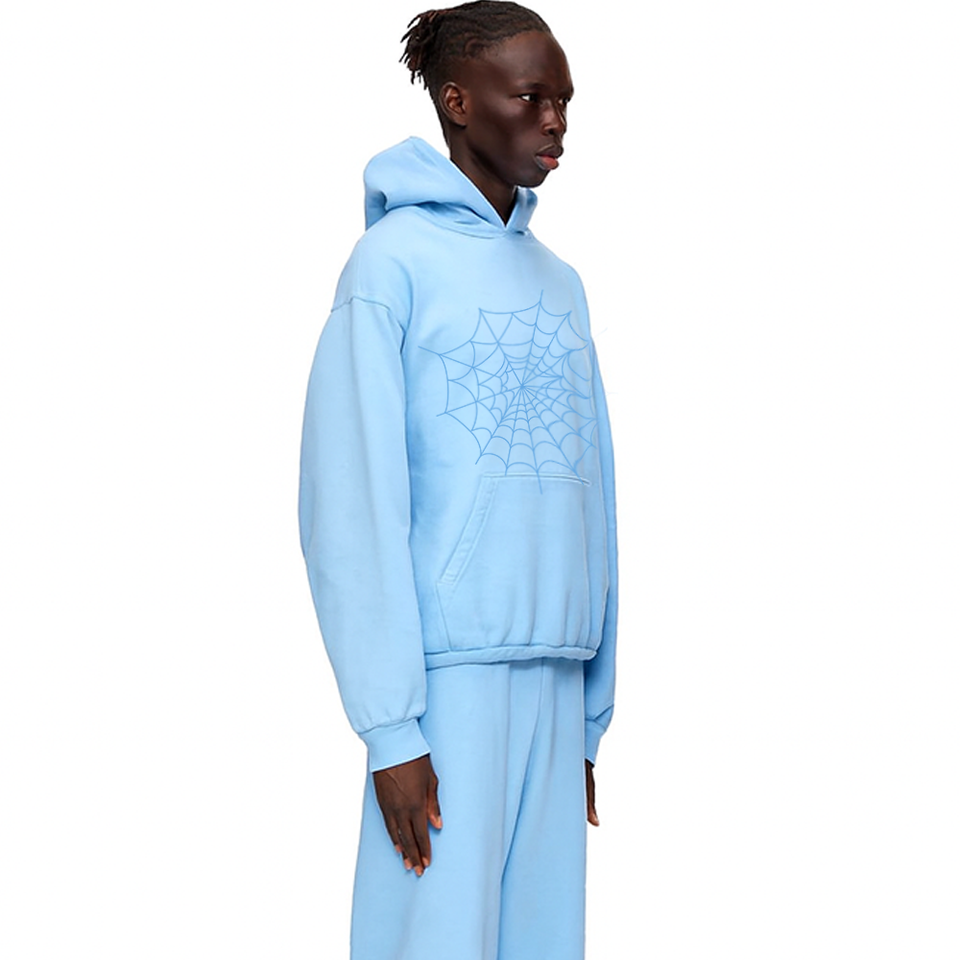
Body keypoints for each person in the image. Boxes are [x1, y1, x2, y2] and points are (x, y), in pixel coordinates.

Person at [298, 3, 618, 958]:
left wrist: (589, 716)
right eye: (531, 97)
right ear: (458, 101)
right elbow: (351, 504)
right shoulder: (388, 269)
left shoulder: (562, 284)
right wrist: (392, 729)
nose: (555, 121)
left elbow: (596, 499)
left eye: (565, 102)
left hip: (556, 680)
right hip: (446, 688)